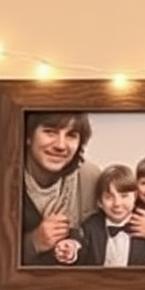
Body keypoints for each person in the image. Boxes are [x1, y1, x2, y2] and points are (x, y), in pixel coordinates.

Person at [21, 111, 100, 265]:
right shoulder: (3, 177)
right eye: (50, 132)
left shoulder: (90, 177)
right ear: (28, 135)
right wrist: (33, 243)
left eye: (71, 135)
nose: (60, 145)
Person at [69, 164, 145, 267]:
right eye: (109, 197)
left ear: (135, 197)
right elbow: (78, 249)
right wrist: (71, 249)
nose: (117, 203)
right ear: (99, 202)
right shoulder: (91, 225)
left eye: (124, 196)